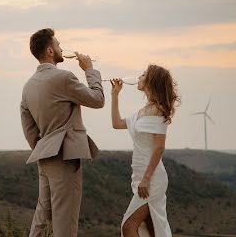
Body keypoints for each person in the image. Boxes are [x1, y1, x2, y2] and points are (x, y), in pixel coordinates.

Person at [20, 28, 105, 237]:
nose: (61, 48)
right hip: (65, 157)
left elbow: (29, 128)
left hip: (44, 157)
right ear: (50, 51)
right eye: (58, 45)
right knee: (64, 221)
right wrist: (90, 70)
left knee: (42, 218)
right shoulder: (64, 78)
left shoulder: (28, 87)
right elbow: (97, 100)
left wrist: (43, 147)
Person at [110, 64, 181, 237]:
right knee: (149, 229)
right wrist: (115, 95)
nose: (139, 77)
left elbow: (159, 147)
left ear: (151, 81)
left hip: (151, 178)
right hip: (140, 175)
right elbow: (117, 124)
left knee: (128, 226)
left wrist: (146, 179)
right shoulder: (143, 111)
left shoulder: (158, 110)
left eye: (143, 75)